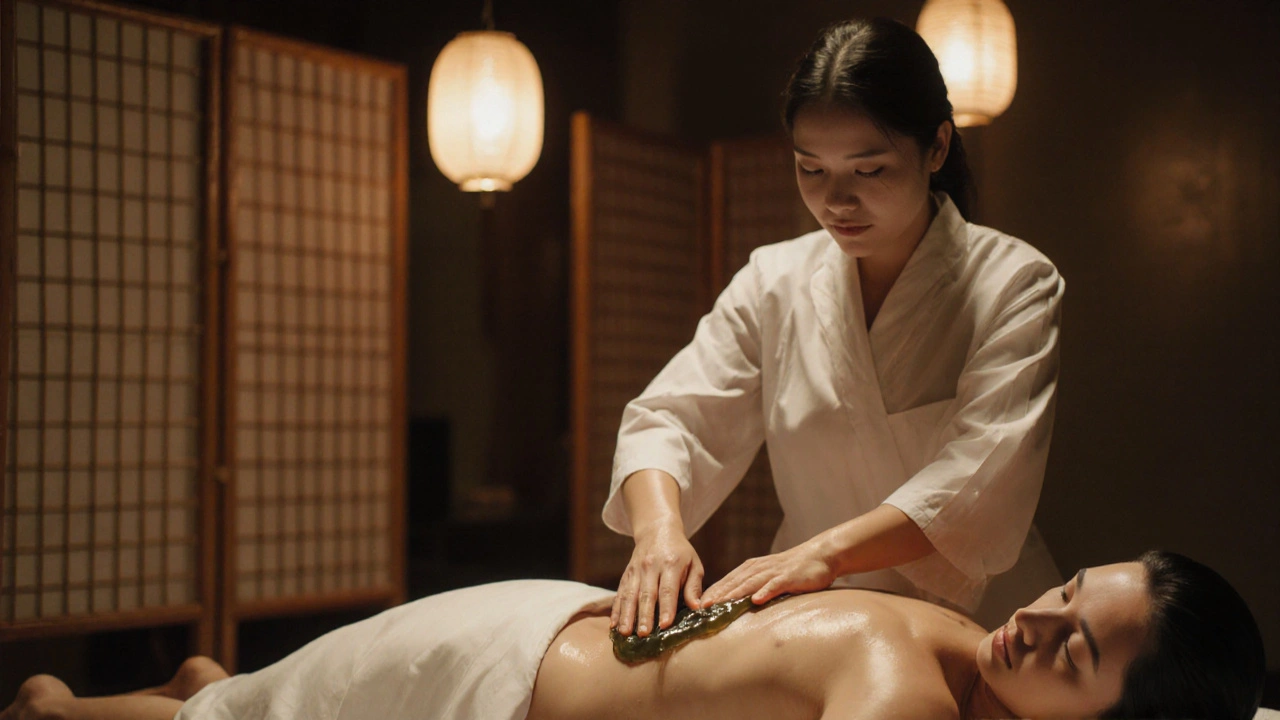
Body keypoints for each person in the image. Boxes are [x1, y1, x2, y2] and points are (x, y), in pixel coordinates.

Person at [607, 15, 1065, 639]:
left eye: (869, 171)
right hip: (819, 616)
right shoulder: (774, 281)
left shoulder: (1014, 282)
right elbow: (671, 419)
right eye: (811, 169)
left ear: (936, 147)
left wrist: (822, 553)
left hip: (980, 625)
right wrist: (659, 532)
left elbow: (975, 482)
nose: (836, 202)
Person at [0, 551, 1265, 720]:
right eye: (1065, 592)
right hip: (498, 681)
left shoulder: (952, 658)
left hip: (540, 632)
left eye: (1071, 652)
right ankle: (59, 706)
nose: (1030, 620)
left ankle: (209, 681)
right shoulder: (907, 692)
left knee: (251, 703)